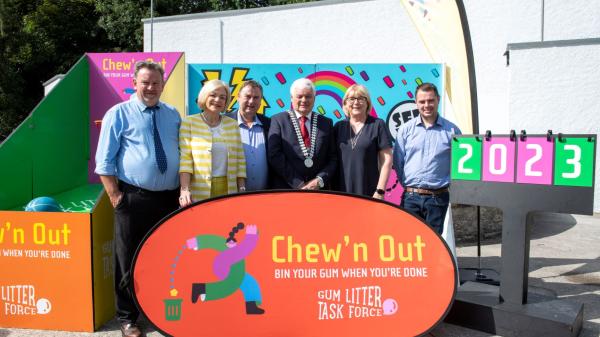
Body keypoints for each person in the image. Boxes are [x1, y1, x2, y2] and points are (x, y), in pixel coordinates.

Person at [95, 61, 181, 337]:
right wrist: (115, 197)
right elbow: (104, 162)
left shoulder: (173, 114)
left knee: (165, 259)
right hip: (133, 198)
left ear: (163, 84)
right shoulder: (118, 113)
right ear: (135, 83)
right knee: (127, 259)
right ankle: (127, 318)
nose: (151, 87)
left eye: (156, 82)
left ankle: (157, 312)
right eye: (145, 82)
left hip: (169, 199)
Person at [393, 83, 461, 235]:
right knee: (409, 243)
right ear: (416, 103)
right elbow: (398, 162)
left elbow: (457, 164)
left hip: (438, 198)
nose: (427, 105)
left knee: (433, 244)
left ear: (438, 99)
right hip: (410, 198)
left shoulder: (452, 131)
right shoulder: (406, 130)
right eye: (422, 101)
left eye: (431, 100)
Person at [179, 79, 246, 206]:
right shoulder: (189, 122)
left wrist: (241, 188)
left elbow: (240, 160)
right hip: (198, 192)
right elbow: (185, 161)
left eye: (222, 97)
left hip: (229, 191)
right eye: (213, 95)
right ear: (204, 96)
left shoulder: (232, 124)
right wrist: (185, 190)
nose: (217, 100)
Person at [268, 78, 337, 189]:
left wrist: (319, 180)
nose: (304, 100)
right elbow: (275, 156)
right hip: (287, 189)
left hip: (318, 190)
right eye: (299, 96)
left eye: (308, 96)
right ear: (291, 98)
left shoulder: (326, 123)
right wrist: (299, 184)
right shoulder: (278, 120)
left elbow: (333, 158)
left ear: (314, 99)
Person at [334, 84, 393, 199]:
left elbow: (387, 160)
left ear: (368, 103)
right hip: (340, 193)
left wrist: (380, 191)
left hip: (369, 193)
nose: (356, 102)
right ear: (345, 103)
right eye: (351, 99)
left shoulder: (377, 125)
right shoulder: (338, 127)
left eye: (361, 98)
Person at [225, 80, 271, 191]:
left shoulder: (269, 124)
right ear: (238, 97)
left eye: (256, 98)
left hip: (265, 195)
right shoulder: (224, 123)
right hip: (232, 194)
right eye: (248, 96)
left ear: (261, 101)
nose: (251, 101)